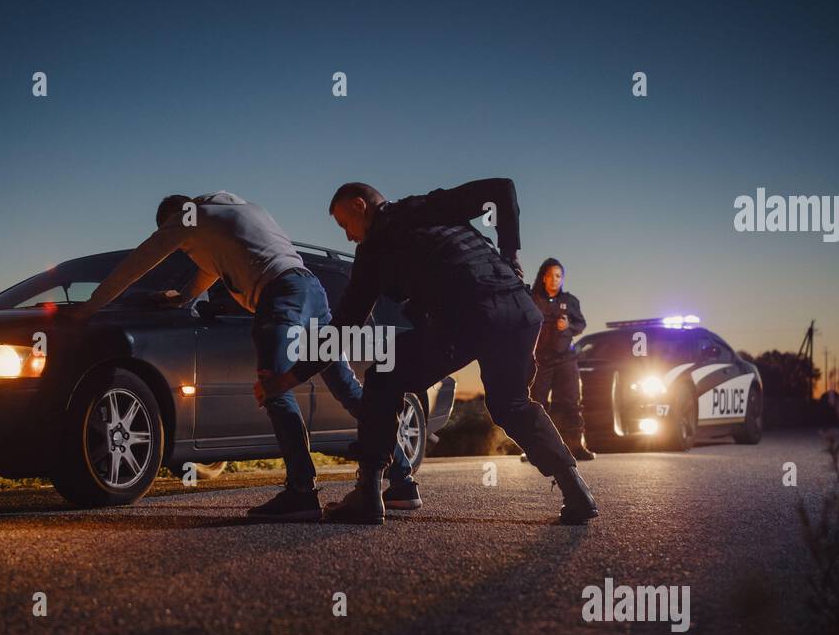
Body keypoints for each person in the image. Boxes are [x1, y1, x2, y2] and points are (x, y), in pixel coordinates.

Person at [255, 178, 598, 525]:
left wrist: (287, 379)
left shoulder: (377, 245)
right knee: (512, 404)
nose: (348, 236)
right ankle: (575, 489)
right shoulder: (431, 206)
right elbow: (504, 191)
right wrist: (510, 256)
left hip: (471, 312)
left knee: (383, 376)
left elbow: (343, 327)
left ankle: (369, 492)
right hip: (520, 310)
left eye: (345, 224)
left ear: (360, 205)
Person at [66, 191, 418, 520]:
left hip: (280, 295)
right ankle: (403, 482)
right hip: (312, 290)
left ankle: (301, 492)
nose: (183, 249)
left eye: (178, 242)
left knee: (274, 388)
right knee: (346, 387)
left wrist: (91, 308)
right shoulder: (235, 212)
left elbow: (137, 262)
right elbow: (212, 268)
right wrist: (185, 297)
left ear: (173, 218)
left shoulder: (185, 217)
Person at [529, 258, 595, 460]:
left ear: (563, 278)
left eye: (558, 276)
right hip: (541, 361)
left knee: (570, 404)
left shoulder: (570, 301)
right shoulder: (532, 299)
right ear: (543, 277)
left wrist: (569, 327)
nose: (554, 280)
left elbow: (581, 324)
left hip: (566, 359)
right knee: (536, 404)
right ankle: (534, 449)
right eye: (550, 275)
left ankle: (576, 447)